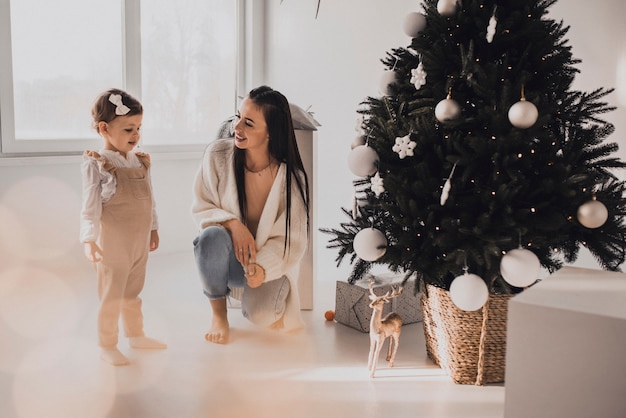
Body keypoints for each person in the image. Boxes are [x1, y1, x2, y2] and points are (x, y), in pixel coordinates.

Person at [192, 85, 310, 344]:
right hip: (231, 259)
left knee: (260, 316)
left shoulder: (291, 179)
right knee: (210, 237)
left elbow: (294, 241)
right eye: (237, 117)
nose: (236, 127)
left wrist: (262, 267)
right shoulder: (217, 155)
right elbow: (202, 205)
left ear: (270, 133)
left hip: (265, 263)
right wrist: (233, 224)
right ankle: (218, 315)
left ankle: (271, 301)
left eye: (248, 123)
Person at [80, 88, 167, 366]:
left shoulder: (139, 160)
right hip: (112, 245)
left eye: (138, 128)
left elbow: (149, 198)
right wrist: (89, 239)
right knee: (111, 295)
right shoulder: (99, 163)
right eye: (129, 128)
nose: (136, 135)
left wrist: (153, 228)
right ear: (104, 129)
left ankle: (136, 334)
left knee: (132, 292)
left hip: (138, 242)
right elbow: (90, 204)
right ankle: (107, 343)